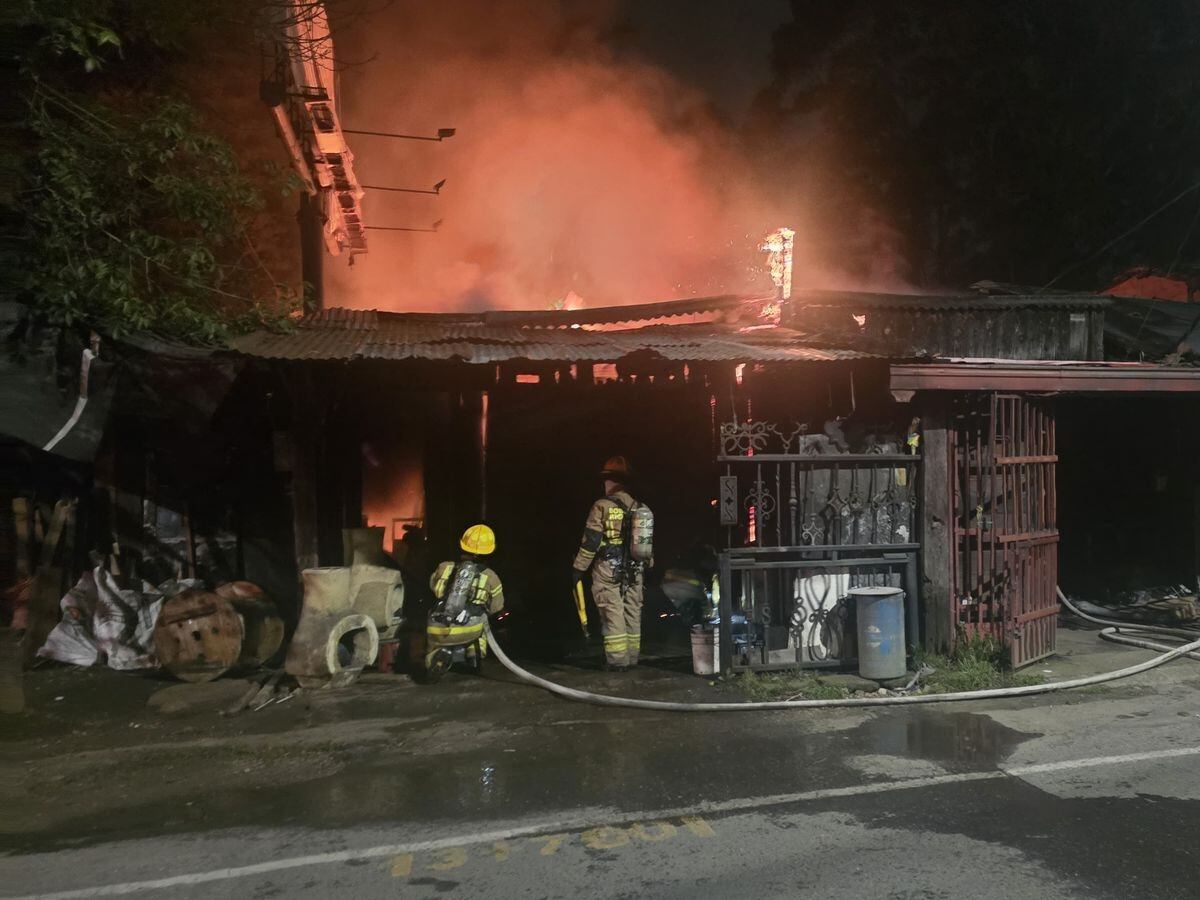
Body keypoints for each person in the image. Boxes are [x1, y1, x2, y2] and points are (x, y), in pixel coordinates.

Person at [572, 456, 652, 671]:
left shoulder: (602, 506)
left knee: (612, 612)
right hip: (636, 568)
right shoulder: (640, 507)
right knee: (632, 612)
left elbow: (591, 541)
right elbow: (646, 544)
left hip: (608, 568)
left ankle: (618, 662)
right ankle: (632, 658)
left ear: (609, 481)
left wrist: (579, 569)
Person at [426, 524, 505, 674]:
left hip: (438, 628)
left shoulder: (443, 567)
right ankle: (474, 653)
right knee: (483, 619)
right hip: (471, 629)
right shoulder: (491, 576)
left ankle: (435, 657)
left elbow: (433, 588)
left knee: (432, 634)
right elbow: (496, 607)